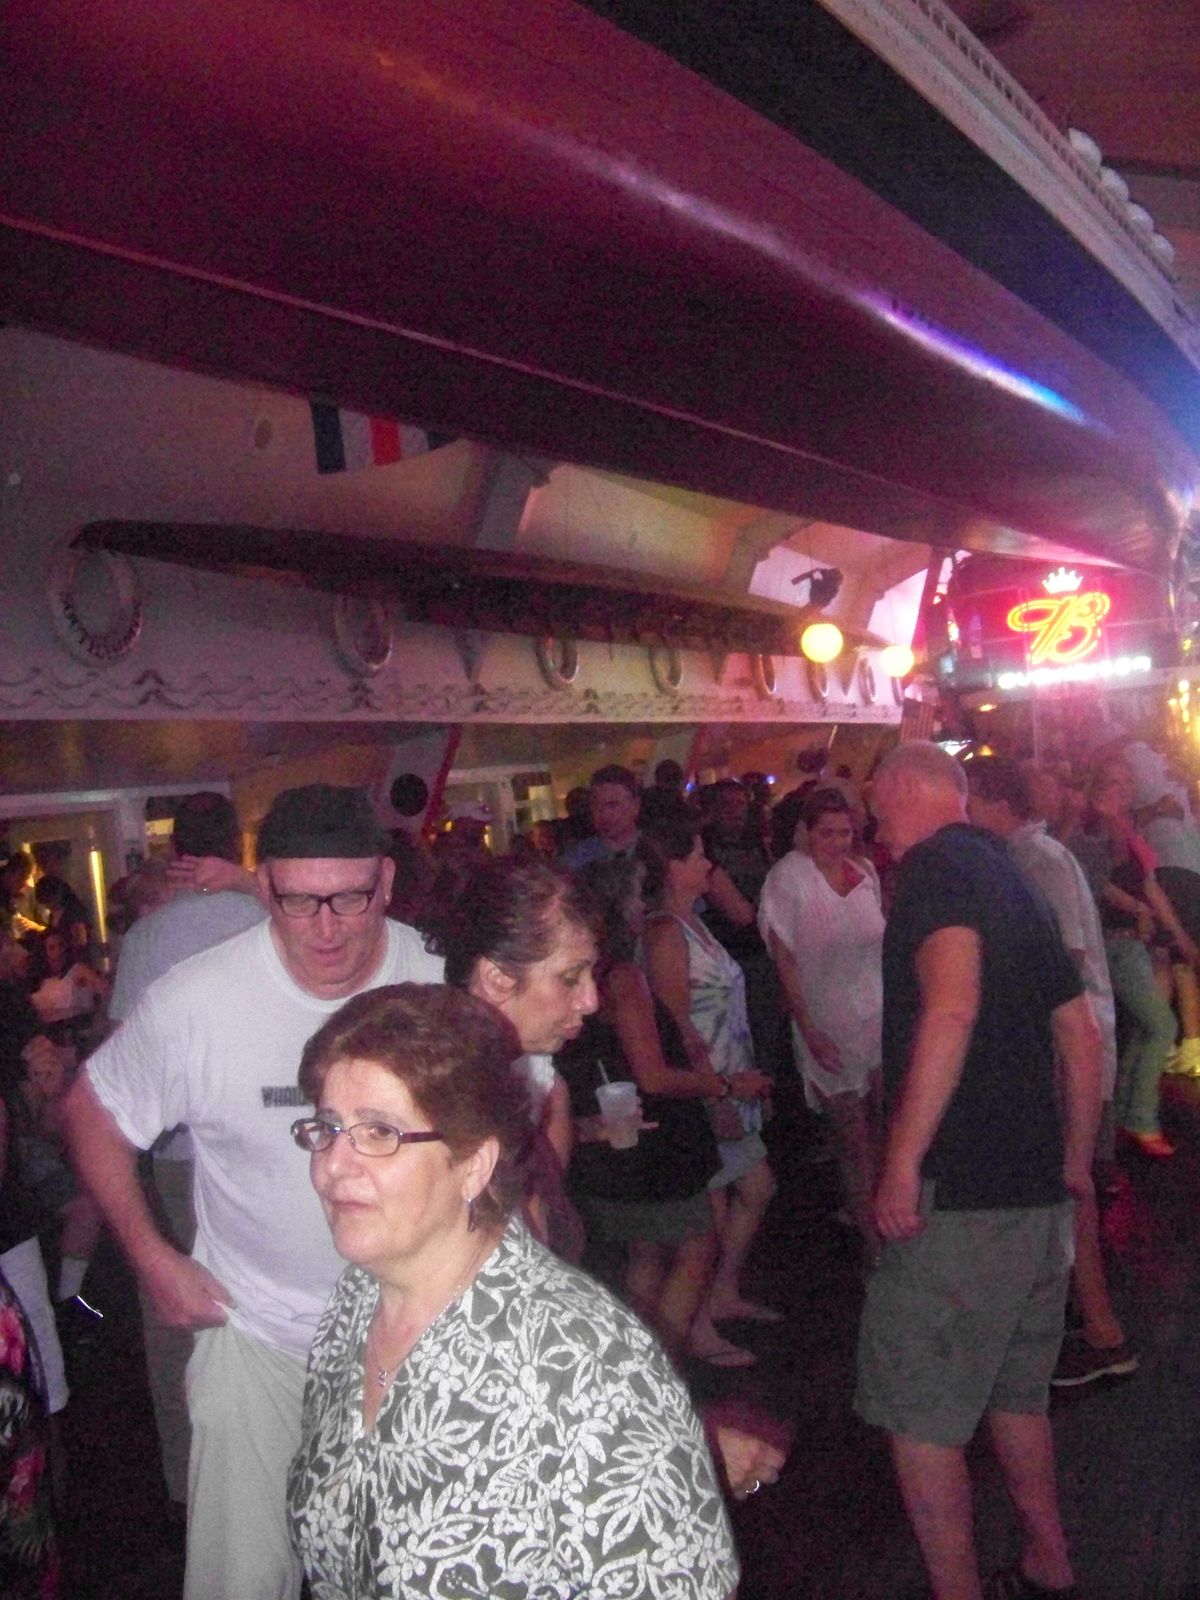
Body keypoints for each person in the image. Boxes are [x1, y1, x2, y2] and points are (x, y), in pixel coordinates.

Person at [64, 783, 443, 1600]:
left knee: (415, 1572)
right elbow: (92, 1113)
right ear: (262, 886)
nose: (327, 928)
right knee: (238, 1579)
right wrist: (152, 1257)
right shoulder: (200, 999)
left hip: (427, 1339)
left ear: (385, 880)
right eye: (300, 901)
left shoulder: (440, 979)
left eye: (349, 898)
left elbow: (529, 1114)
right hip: (260, 1335)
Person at [286, 983, 741, 1599]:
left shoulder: (588, 1369)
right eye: (328, 1127)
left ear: (474, 1165)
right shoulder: (356, 1302)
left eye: (380, 1132)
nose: (332, 1166)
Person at [856, 742, 1102, 1600]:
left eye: (876, 800)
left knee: (920, 1410)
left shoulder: (933, 871)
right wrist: (1074, 1158)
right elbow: (1081, 1036)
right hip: (1032, 1193)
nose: (874, 822)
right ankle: (1048, 1559)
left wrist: (901, 1163)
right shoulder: (1013, 879)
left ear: (908, 787)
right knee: (1014, 1391)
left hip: (958, 1198)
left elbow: (952, 1006)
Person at [107, 790, 269, 1513]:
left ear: (176, 851)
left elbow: (123, 1058)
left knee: (178, 1319)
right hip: (269, 1146)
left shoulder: (149, 937)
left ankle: (190, 1482)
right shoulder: (269, 916)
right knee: (271, 1305)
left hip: (181, 1153)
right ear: (235, 846)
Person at [966, 756, 1136, 1390]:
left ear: (990, 801)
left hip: (1066, 1046)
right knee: (1065, 1190)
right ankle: (1084, 1327)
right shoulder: (1031, 855)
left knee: (1071, 1187)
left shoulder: (1034, 859)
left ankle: (1102, 1335)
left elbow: (1065, 955)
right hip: (1069, 1042)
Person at [558, 853, 729, 1354]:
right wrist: (722, 1085)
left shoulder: (581, 972)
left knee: (645, 1253)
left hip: (609, 1136)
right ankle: (662, 1367)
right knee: (698, 1241)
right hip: (646, 1137)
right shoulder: (620, 977)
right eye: (636, 897)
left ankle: (638, 1359)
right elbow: (652, 1074)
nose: (642, 906)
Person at [643, 819, 778, 1364]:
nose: (708, 865)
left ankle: (719, 1294)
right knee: (715, 1210)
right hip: (706, 1087)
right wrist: (716, 1095)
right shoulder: (664, 933)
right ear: (673, 868)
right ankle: (698, 1324)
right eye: (698, 856)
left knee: (755, 1188)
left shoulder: (693, 921)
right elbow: (678, 1025)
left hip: (731, 1076)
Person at [759, 786, 885, 1264]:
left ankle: (880, 1218)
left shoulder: (865, 872)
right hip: (827, 1022)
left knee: (881, 1130)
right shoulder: (789, 878)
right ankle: (873, 1246)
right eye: (826, 833)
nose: (836, 842)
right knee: (853, 1140)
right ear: (806, 833)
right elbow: (785, 958)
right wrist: (808, 1027)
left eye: (844, 832)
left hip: (876, 1017)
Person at [1066, 760, 1195, 1157]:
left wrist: (1178, 936)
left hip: (1131, 939)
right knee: (1161, 1024)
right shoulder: (1093, 826)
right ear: (1098, 784)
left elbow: (1149, 886)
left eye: (1126, 782)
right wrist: (1140, 910)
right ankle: (1140, 1117)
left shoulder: (1124, 827)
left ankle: (1126, 1111)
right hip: (1113, 938)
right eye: (1112, 781)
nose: (1120, 788)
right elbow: (1095, 881)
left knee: (1145, 1026)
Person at [562, 763, 642, 870]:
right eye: (596, 806)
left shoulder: (656, 851)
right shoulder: (576, 858)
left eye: (612, 805)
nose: (604, 814)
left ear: (635, 806)